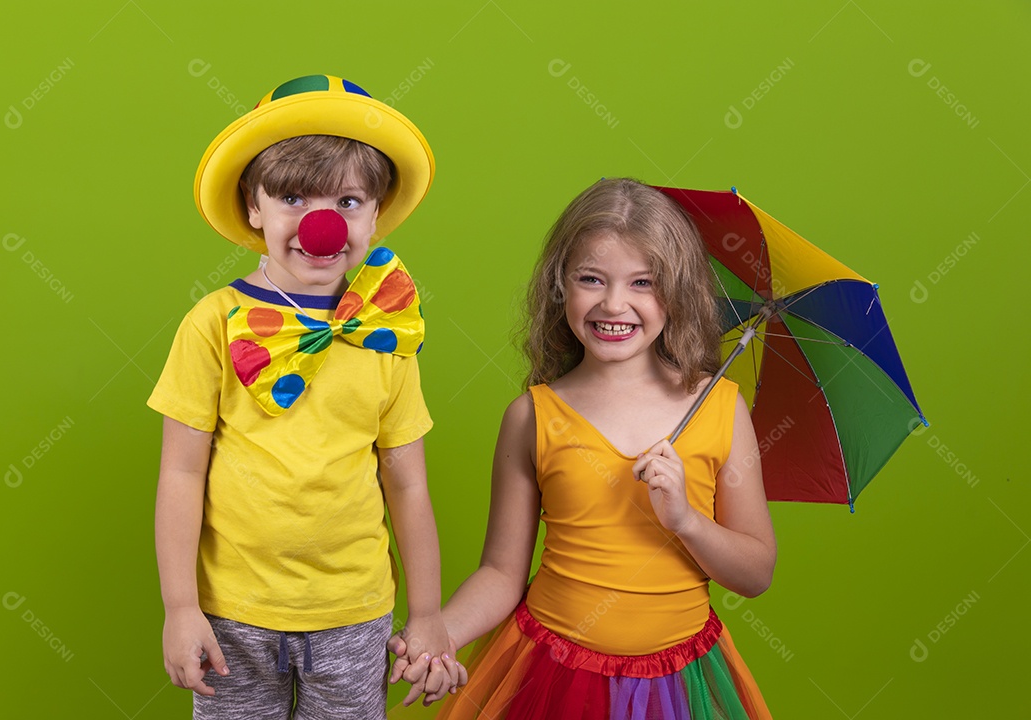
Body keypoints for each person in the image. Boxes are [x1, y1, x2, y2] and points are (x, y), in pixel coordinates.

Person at [389, 178, 776, 718]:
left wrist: (686, 519)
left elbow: (756, 572)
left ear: (679, 291)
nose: (614, 303)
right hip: (551, 668)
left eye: (643, 282)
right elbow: (502, 574)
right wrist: (440, 634)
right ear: (559, 286)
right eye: (591, 279)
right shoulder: (531, 417)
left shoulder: (721, 407)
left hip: (678, 682)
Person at [149, 74, 458, 719]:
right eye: (292, 197)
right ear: (253, 207)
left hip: (355, 613)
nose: (321, 223)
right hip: (233, 612)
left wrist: (427, 614)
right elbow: (181, 471)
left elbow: (408, 484)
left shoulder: (387, 331)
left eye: (347, 201)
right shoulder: (215, 320)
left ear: (377, 214)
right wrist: (180, 606)